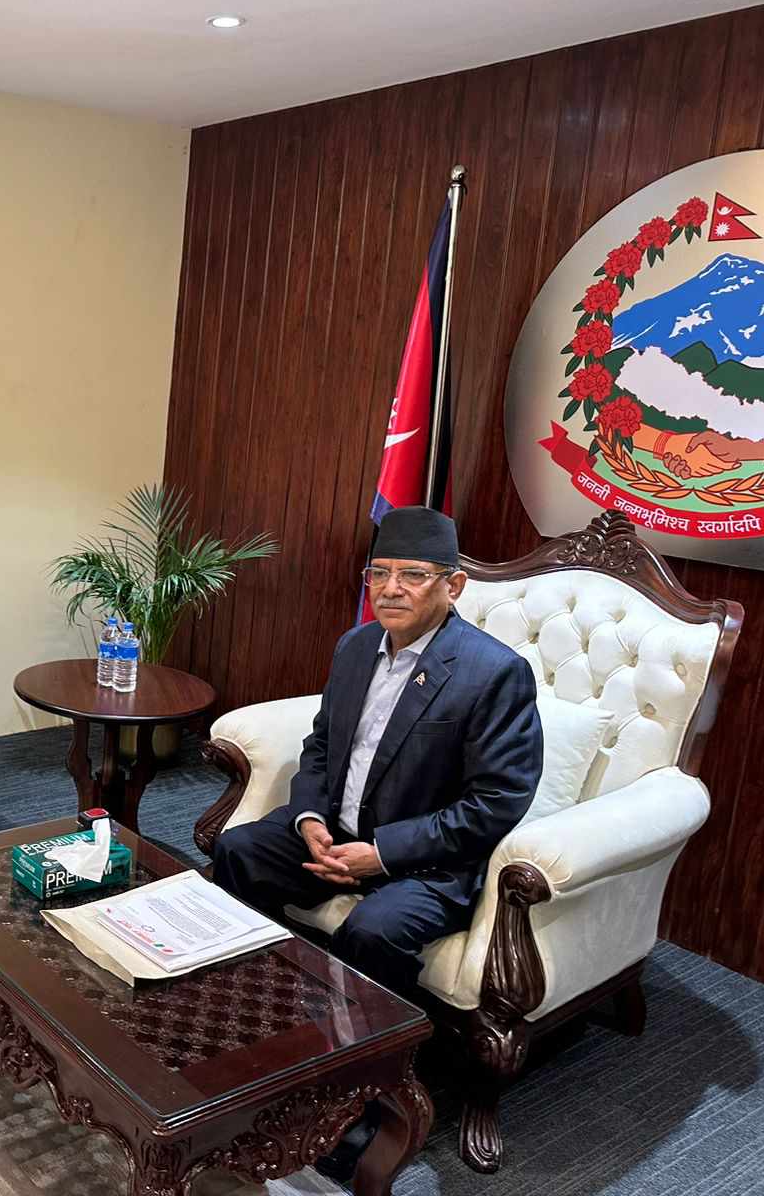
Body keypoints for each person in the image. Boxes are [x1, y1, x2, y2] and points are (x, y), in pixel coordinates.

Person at [211, 505, 542, 1180]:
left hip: (428, 861)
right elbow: (321, 746)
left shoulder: (493, 673)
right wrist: (309, 819)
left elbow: (496, 802)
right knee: (239, 850)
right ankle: (260, 1024)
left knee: (373, 931)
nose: (390, 589)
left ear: (452, 586)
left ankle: (358, 1093)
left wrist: (382, 854)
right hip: (336, 833)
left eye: (412, 575)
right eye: (379, 573)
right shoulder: (356, 647)